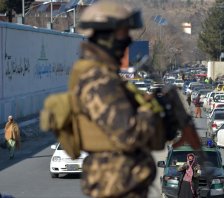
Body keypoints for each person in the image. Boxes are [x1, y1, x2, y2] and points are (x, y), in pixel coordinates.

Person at [72, 2, 201, 197]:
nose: (128, 40)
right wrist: (156, 108)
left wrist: (164, 115)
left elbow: (147, 138)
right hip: (114, 184)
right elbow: (128, 133)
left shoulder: (108, 76)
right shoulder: (99, 80)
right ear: (105, 36)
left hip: (126, 183)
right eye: (123, 33)